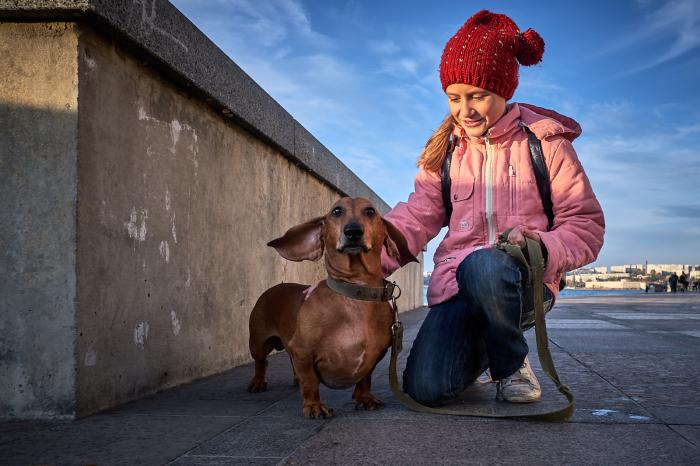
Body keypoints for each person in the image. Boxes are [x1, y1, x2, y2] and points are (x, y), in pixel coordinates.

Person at [381, 10, 605, 406]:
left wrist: (542, 244)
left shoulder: (546, 143)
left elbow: (585, 226)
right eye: (454, 98)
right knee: (426, 388)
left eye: (477, 96)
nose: (464, 110)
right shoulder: (446, 153)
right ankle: (482, 346)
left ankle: (511, 364)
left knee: (484, 264)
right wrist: (363, 259)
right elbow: (416, 217)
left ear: (504, 90)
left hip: (521, 283)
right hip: (457, 286)